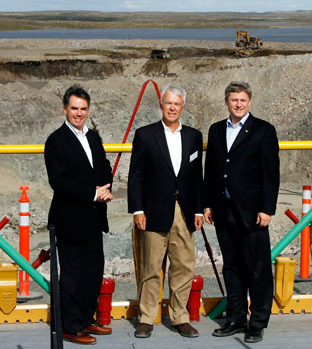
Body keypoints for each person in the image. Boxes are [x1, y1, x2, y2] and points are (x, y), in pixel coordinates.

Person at [203, 81, 280, 343]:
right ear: (226, 101)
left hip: (252, 213)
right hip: (223, 211)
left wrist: (267, 208)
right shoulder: (215, 130)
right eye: (233, 100)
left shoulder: (263, 130)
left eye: (242, 100)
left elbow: (271, 175)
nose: (238, 104)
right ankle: (235, 318)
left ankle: (257, 322)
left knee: (257, 269)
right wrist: (207, 203)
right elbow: (211, 170)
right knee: (232, 267)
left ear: (249, 102)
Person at [128, 84, 204, 339]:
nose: (172, 108)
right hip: (153, 211)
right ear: (161, 105)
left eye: (177, 104)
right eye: (168, 103)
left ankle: (180, 317)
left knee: (183, 266)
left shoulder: (194, 136)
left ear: (183, 107)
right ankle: (147, 318)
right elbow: (136, 175)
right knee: (151, 266)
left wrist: (199, 210)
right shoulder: (145, 135)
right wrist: (137, 209)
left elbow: (197, 178)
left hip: (184, 212)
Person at [44, 85, 115, 345]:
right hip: (70, 217)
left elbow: (104, 166)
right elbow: (59, 181)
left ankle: (86, 318)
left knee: (93, 270)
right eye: (74, 108)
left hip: (94, 216)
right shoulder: (56, 141)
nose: (79, 113)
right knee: (72, 274)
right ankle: (70, 326)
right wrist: (92, 194)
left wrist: (106, 189)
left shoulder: (93, 137)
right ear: (65, 109)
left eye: (83, 108)